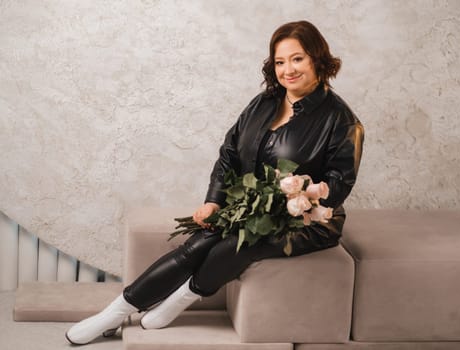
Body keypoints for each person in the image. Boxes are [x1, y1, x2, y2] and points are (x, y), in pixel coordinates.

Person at [65, 20, 364, 345]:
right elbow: (229, 154)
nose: (287, 69)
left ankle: (180, 299)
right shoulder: (264, 103)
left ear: (317, 59)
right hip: (250, 208)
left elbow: (339, 183)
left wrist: (303, 195)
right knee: (198, 243)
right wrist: (213, 201)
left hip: (306, 222)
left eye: (297, 59)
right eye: (280, 61)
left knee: (231, 245)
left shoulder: (341, 120)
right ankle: (115, 312)